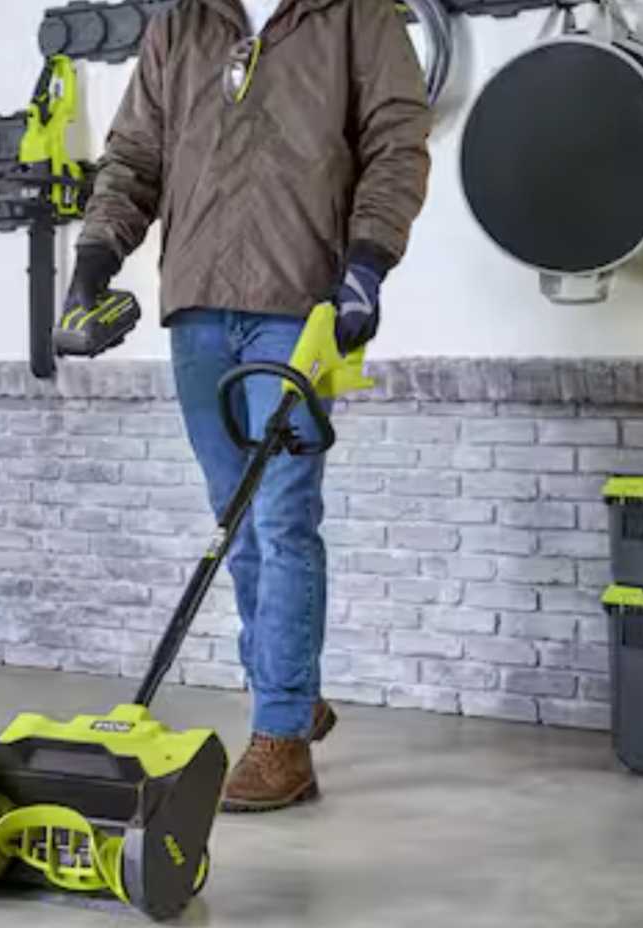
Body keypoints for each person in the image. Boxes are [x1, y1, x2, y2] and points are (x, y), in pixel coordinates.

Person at [70, 0, 432, 812]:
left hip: (299, 303)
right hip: (196, 306)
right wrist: (95, 256)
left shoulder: (355, 18)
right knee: (233, 522)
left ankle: (280, 737)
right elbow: (134, 156)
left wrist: (368, 264)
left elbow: (396, 145)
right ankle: (290, 689)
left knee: (282, 518)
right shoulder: (183, 23)